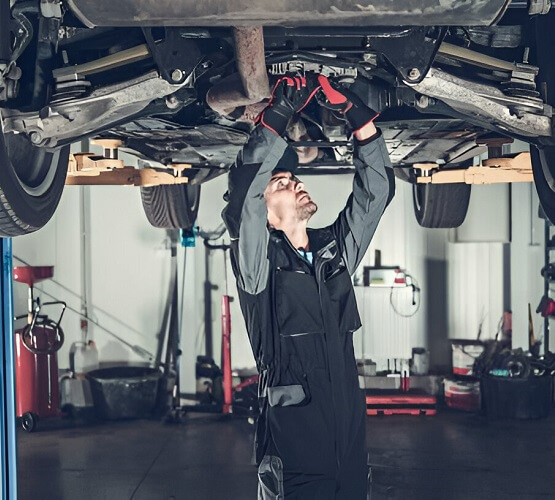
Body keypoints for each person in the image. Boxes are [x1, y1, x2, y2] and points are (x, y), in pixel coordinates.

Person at [222, 73, 394, 499]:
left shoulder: (333, 255)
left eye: (293, 179)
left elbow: (376, 193)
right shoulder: (259, 268)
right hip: (295, 467)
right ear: (266, 216)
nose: (296, 182)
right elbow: (243, 198)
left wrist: (357, 118)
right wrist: (278, 114)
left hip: (350, 458)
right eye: (281, 184)